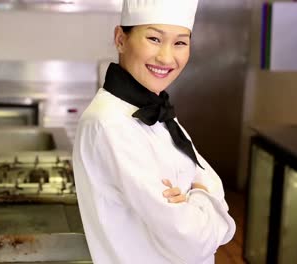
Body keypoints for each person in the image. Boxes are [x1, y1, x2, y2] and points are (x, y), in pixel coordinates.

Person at [72, 0, 236, 263]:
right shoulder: (111, 124)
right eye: (154, 38)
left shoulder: (156, 112)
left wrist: (195, 198)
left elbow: (210, 180)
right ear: (120, 39)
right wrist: (204, 197)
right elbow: (193, 242)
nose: (166, 57)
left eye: (180, 42)